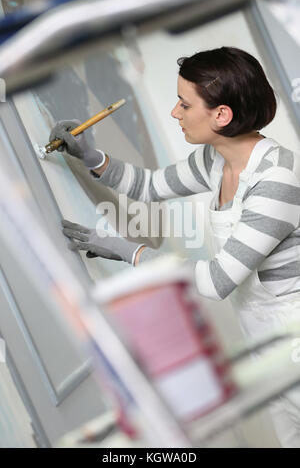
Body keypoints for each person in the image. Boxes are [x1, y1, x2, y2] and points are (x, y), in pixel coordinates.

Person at [50, 46, 300, 447]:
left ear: (222, 115)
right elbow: (150, 186)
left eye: (184, 104)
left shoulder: (276, 181)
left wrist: (126, 250)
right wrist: (91, 156)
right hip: (265, 342)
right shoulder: (215, 161)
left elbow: (217, 281)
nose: (174, 113)